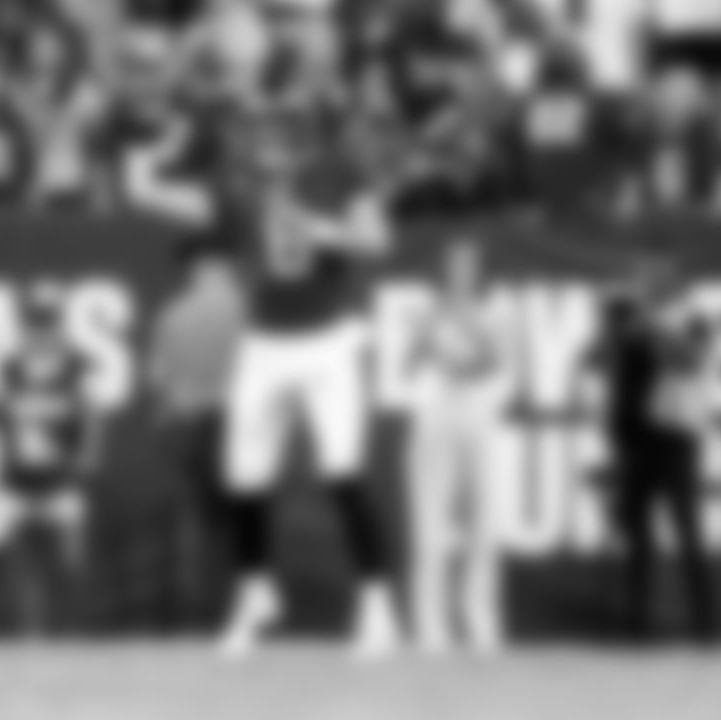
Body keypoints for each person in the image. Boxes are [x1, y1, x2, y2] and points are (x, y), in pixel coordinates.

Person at [214, 127, 400, 661]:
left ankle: (377, 603)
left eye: (281, 136)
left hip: (326, 339)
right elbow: (174, 203)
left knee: (342, 471)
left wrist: (325, 230)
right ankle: (254, 592)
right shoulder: (242, 183)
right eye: (263, 136)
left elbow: (378, 241)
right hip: (264, 341)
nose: (269, 148)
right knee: (243, 475)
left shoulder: (337, 172)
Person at [588, 257, 718, 643]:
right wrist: (616, 334)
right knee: (637, 534)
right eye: (646, 282)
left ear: (676, 287)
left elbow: (688, 361)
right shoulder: (636, 325)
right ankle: (637, 625)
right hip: (642, 439)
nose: (649, 288)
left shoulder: (696, 321)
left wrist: (650, 328)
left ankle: (706, 627)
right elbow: (607, 367)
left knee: (688, 532)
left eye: (656, 282)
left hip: (679, 437)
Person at [404, 240, 507, 656]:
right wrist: (427, 334)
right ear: (443, 270)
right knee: (430, 525)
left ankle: (479, 620)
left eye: (469, 266)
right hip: (435, 417)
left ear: (478, 271)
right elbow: (408, 365)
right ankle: (430, 625)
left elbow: (494, 362)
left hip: (478, 417)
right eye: (454, 265)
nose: (461, 272)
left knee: (484, 523)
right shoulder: (426, 310)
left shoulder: (494, 311)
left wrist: (469, 327)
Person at [146, 240, 247, 629]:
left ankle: (194, 614)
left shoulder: (173, 314)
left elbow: (156, 376)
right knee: (242, 519)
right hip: (232, 421)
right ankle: (237, 612)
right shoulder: (244, 309)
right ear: (218, 268)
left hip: (186, 421)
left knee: (194, 520)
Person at [0, 301, 104, 635]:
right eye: (35, 326)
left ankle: (73, 627)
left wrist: (87, 453)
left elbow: (91, 413)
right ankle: (30, 630)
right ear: (24, 330)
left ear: (58, 328)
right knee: (20, 558)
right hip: (19, 476)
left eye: (47, 325)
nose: (41, 334)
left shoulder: (75, 366)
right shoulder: (10, 368)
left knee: (72, 557)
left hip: (61, 476)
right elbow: (0, 413)